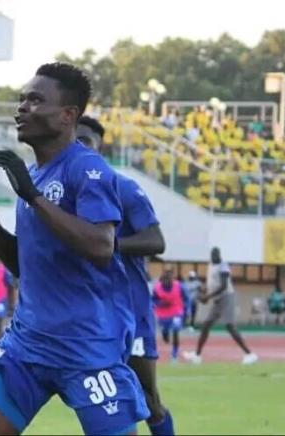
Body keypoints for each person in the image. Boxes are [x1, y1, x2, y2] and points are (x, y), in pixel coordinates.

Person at [0, 63, 148, 435]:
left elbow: (102, 247)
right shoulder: (35, 176)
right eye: (22, 100)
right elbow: (25, 264)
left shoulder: (86, 168)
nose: (22, 108)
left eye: (35, 101)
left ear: (68, 115)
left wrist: (34, 197)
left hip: (87, 346)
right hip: (28, 343)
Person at [77, 115, 174, 435]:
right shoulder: (62, 193)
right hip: (88, 313)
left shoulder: (124, 188)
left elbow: (155, 241)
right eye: (74, 140)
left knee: (147, 399)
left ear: (99, 146)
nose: (79, 146)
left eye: (86, 140)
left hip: (130, 308)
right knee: (104, 398)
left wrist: (106, 245)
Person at [183, 247, 258, 365]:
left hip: (227, 297)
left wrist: (208, 296)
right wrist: (205, 294)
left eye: (216, 255)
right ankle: (197, 355)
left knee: (229, 325)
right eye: (212, 255)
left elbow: (223, 286)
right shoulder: (210, 266)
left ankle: (249, 354)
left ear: (219, 255)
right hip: (217, 300)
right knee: (206, 324)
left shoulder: (223, 266)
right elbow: (212, 284)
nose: (214, 257)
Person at [153, 268, 185, 362]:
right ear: (162, 280)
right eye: (165, 279)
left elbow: (186, 298)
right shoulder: (157, 288)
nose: (167, 282)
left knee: (175, 330)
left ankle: (174, 353)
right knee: (165, 333)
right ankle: (165, 334)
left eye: (169, 279)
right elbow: (153, 300)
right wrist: (160, 303)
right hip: (163, 313)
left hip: (176, 311)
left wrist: (187, 311)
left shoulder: (179, 286)